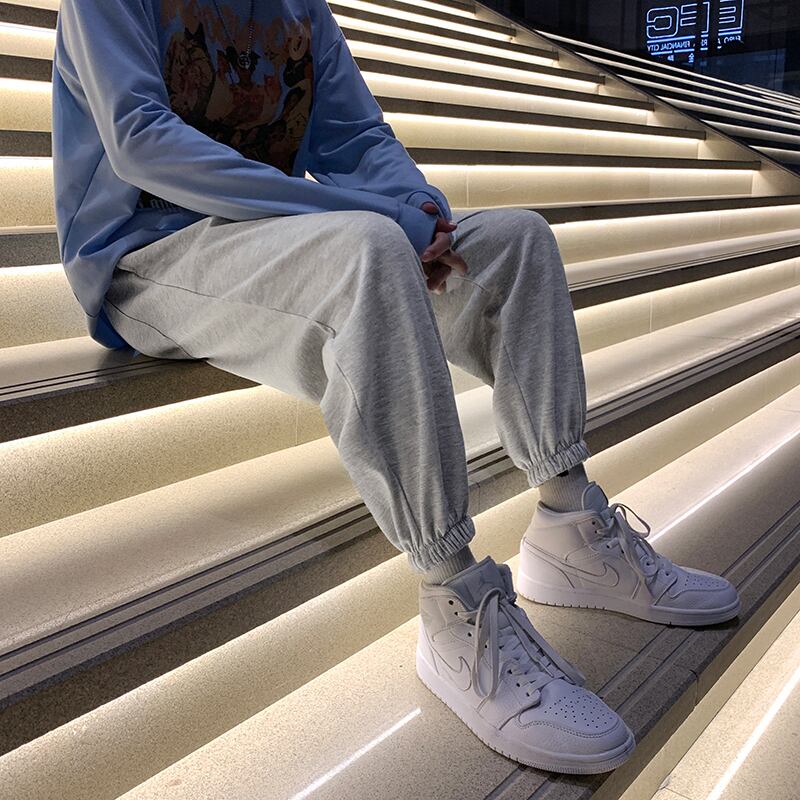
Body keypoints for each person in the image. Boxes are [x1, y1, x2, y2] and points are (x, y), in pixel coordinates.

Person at [53, 0, 741, 776]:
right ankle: (452, 600)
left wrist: (420, 211)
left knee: (516, 241)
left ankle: (569, 524)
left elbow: (355, 137)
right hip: (145, 256)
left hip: (266, 233)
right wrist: (374, 217)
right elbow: (142, 141)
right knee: (369, 250)